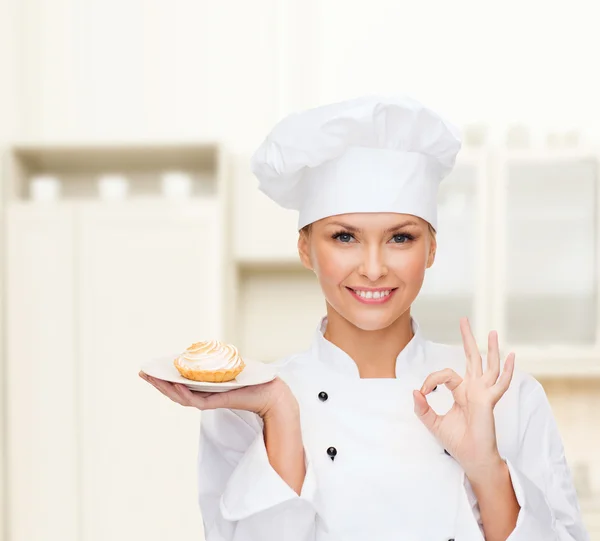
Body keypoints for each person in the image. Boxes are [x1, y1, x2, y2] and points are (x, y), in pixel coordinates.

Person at [139, 95, 590, 541]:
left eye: (400, 237)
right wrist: (281, 412)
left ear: (431, 248)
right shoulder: (245, 409)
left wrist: (486, 468)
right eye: (345, 237)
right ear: (305, 248)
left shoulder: (506, 399)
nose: (373, 268)